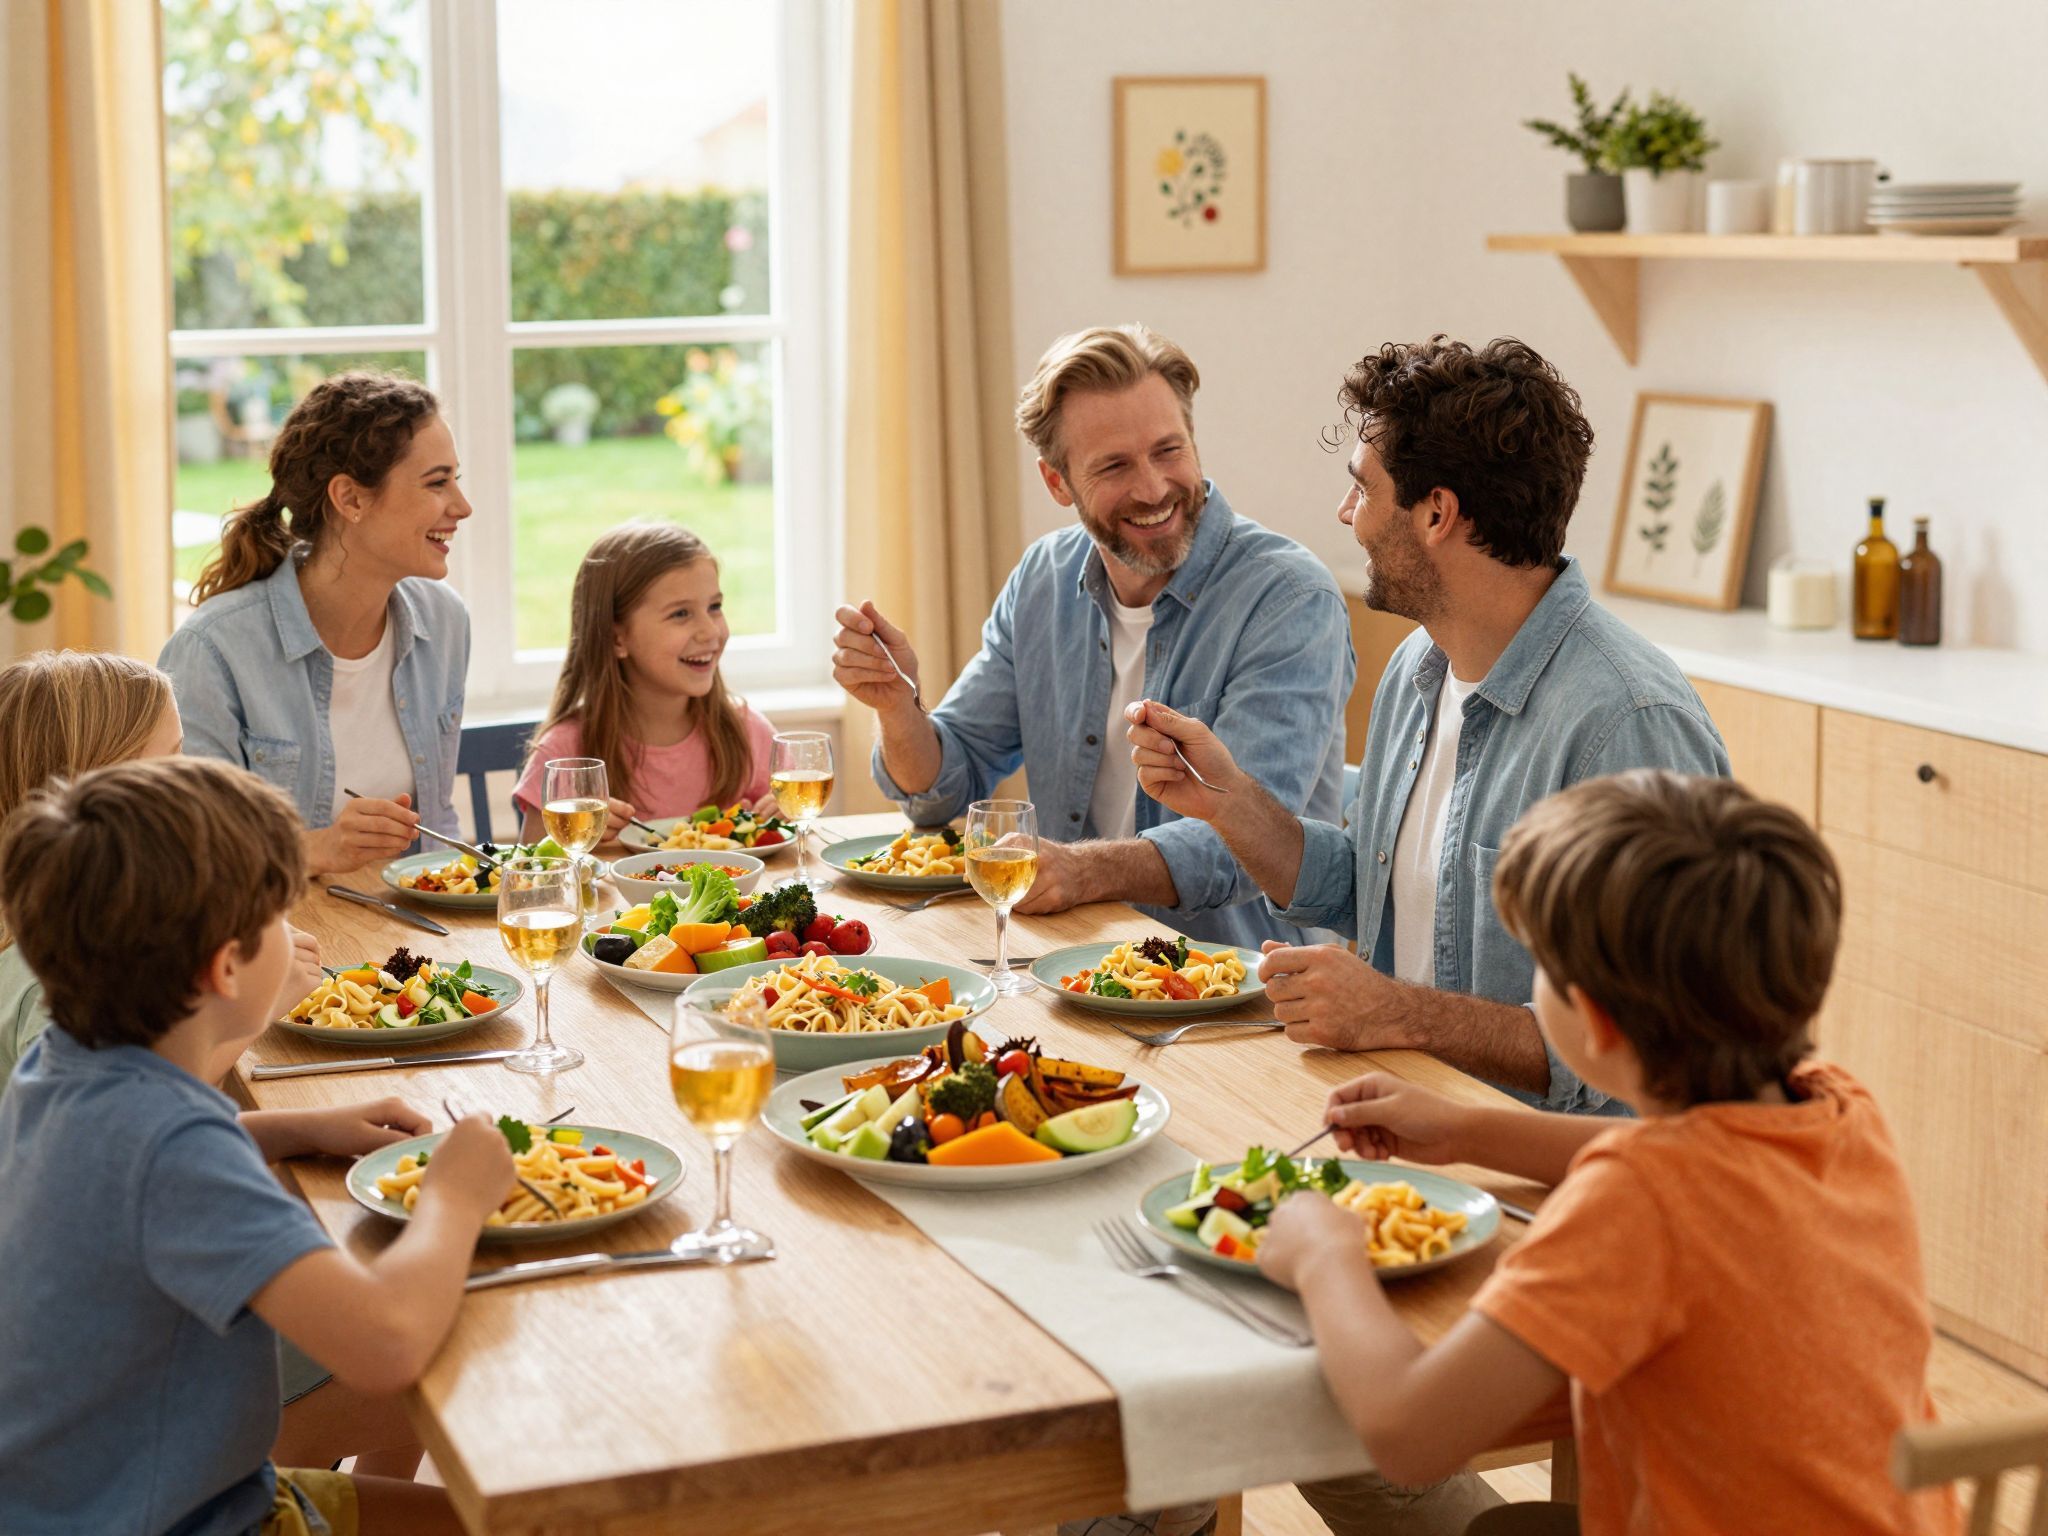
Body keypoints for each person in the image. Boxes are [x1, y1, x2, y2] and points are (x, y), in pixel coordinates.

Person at [1255, 772, 1958, 1536]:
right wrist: (1467, 1130)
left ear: (1590, 1017)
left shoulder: (1637, 1202)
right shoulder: (1839, 1107)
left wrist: (1325, 1254)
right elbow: (1693, 1162)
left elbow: (1408, 1436)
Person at [1129, 336, 1728, 1112]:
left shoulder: (1629, 727)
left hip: (1547, 1188)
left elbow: (1655, 1049)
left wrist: (1394, 1012)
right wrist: (1227, 800)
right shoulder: (1420, 668)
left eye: (1363, 490)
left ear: (1437, 513)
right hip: (1407, 1127)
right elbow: (1381, 890)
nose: (1347, 515)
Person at [0, 755, 516, 1536]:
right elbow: (387, 1343)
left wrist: (298, 1126)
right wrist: (455, 1192)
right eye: (280, 914)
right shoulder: (173, 1150)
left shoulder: (67, 1062)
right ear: (228, 966)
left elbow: (126, 1177)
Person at [834, 323, 1353, 951]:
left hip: (1242, 993)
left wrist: (1082, 871)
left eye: (1169, 450)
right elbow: (945, 785)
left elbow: (1243, 844)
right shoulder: (1044, 579)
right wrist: (897, 704)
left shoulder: (1289, 598)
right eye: (1114, 466)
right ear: (1057, 482)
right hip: (1075, 969)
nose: (1154, 488)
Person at [160, 371, 473, 876]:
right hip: (280, 943)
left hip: (412, 938)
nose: (462, 506)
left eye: (457, 479)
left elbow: (439, 823)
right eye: (437, 482)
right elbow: (192, 857)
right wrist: (319, 848)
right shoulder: (212, 651)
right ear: (350, 499)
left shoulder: (445, 621)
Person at [515, 522, 778, 844]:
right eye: (681, 614)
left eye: (715, 607)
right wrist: (569, 839)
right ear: (617, 638)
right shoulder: (564, 755)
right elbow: (530, 879)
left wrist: (783, 821)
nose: (710, 631)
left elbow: (794, 860)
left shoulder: (749, 733)